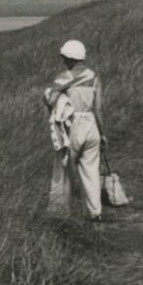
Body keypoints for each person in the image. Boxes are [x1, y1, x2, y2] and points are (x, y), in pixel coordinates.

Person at [43, 39, 107, 222]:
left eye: (64, 57)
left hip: (73, 124)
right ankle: (95, 213)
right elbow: (99, 109)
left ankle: (59, 213)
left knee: (62, 169)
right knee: (91, 170)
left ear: (69, 58)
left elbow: (50, 100)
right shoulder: (94, 77)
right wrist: (103, 135)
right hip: (91, 124)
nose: (63, 60)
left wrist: (55, 97)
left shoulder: (64, 77)